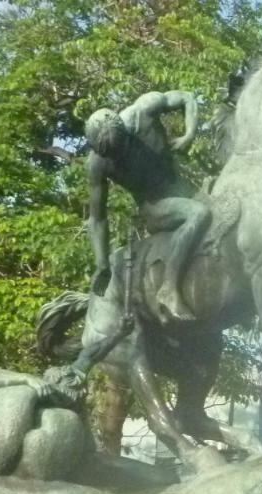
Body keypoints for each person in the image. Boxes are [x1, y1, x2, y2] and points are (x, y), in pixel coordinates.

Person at [85, 91, 211, 323]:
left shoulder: (144, 110)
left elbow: (187, 98)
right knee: (199, 214)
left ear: (125, 131)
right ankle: (168, 288)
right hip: (154, 206)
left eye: (119, 150)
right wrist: (102, 263)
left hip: (183, 189)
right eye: (109, 155)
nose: (116, 157)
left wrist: (189, 135)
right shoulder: (97, 164)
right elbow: (97, 218)